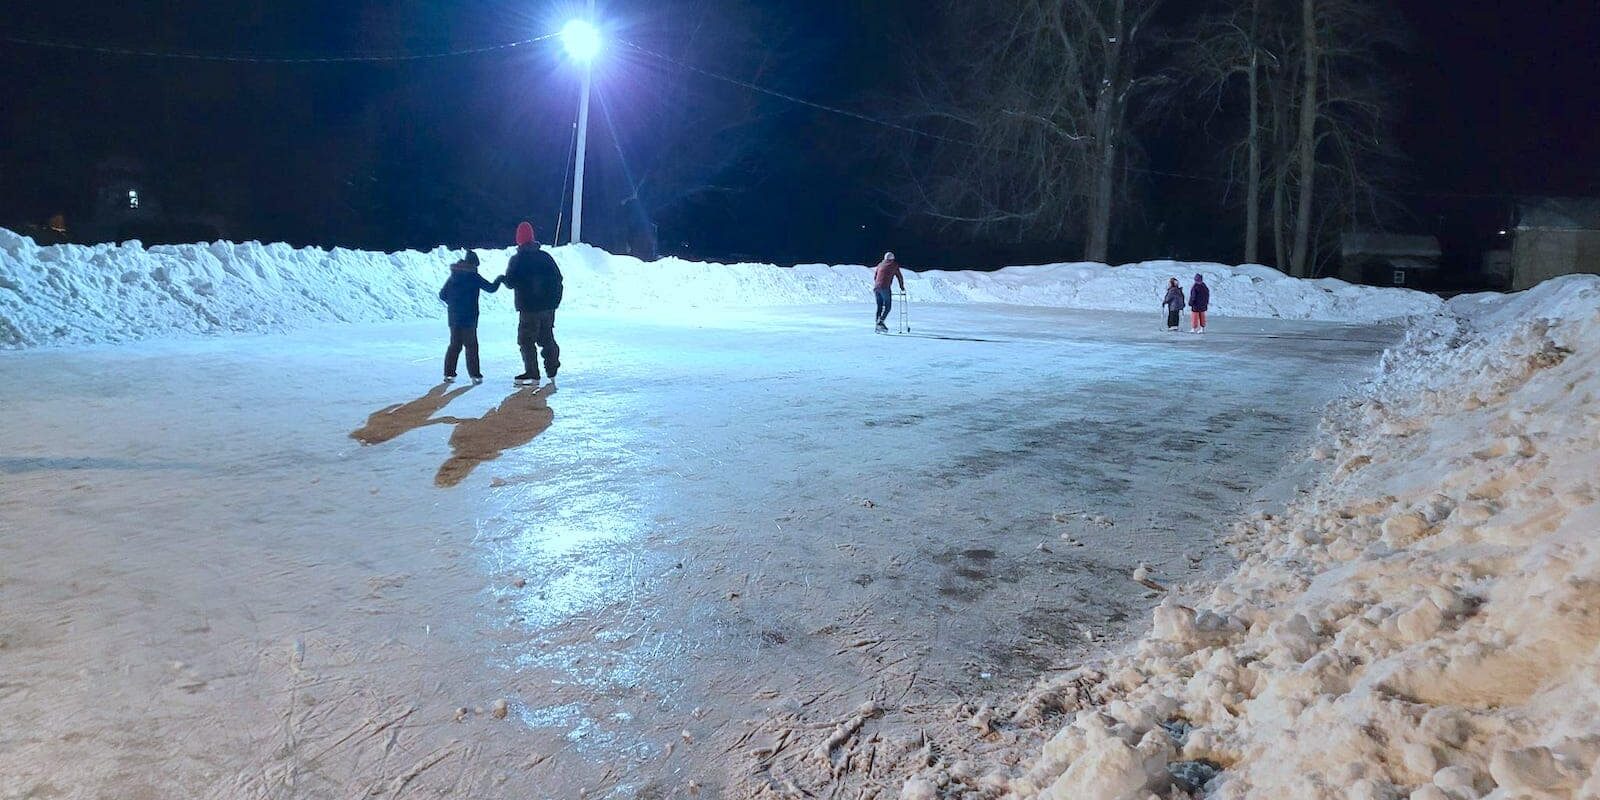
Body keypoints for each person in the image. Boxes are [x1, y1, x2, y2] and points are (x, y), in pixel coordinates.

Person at [500, 221, 563, 385]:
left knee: (526, 341)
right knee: (546, 338)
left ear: (519, 240)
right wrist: (554, 301)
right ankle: (552, 368)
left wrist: (503, 279)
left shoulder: (518, 259)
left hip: (529, 309)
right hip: (548, 308)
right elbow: (558, 279)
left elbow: (511, 282)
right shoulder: (545, 257)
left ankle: (532, 373)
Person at [437, 251, 500, 384]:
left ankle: (449, 375)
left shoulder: (454, 276)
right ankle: (475, 375)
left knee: (455, 345)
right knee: (471, 347)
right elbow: (491, 288)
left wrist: (454, 303)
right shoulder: (474, 276)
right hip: (469, 318)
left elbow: (442, 295)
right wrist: (500, 279)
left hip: (454, 317)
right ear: (473, 264)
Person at [872, 251, 906, 332]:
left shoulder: (880, 264)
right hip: (885, 288)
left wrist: (878, 284)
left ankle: (877, 326)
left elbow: (875, 276)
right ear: (892, 259)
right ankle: (880, 322)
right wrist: (901, 287)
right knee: (888, 306)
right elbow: (899, 276)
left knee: (879, 306)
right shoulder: (894, 265)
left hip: (876, 288)